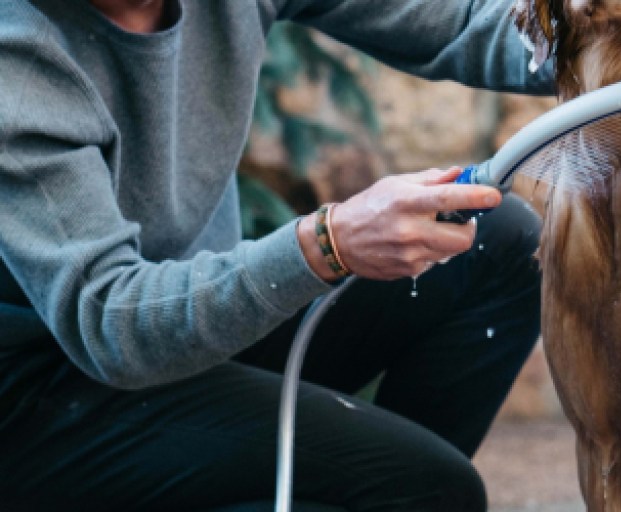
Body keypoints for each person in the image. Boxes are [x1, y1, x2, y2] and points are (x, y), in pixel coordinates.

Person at [0, 0, 553, 510]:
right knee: (428, 486)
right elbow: (113, 322)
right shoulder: (17, 57)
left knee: (494, 242)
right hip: (52, 393)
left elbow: (456, 20)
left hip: (199, 329)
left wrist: (600, 29)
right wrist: (326, 245)